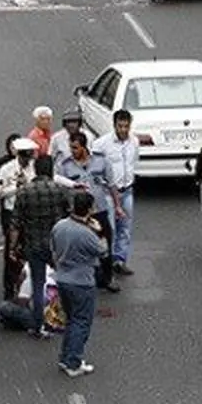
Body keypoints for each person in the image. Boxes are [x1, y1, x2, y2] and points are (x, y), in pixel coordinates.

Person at [10, 155, 72, 337]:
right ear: (51, 170)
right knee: (64, 280)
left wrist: (13, 247)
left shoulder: (24, 192)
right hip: (56, 244)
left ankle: (38, 325)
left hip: (33, 244)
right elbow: (69, 216)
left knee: (38, 284)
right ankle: (64, 317)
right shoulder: (59, 190)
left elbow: (15, 223)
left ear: (35, 170)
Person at [56, 131, 121, 292]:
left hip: (98, 210)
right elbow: (62, 188)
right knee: (78, 245)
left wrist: (117, 205)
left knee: (105, 243)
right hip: (78, 213)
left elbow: (111, 184)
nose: (73, 151)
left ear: (84, 147)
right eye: (71, 148)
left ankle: (108, 277)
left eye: (76, 148)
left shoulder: (100, 161)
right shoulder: (65, 166)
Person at [50, 193, 105, 377]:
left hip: (63, 278)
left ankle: (66, 356)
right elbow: (102, 250)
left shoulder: (60, 226)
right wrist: (99, 231)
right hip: (82, 281)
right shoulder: (86, 234)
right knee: (81, 322)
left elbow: (53, 248)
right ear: (89, 209)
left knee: (71, 320)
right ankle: (73, 361)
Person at [93, 109, 139, 276]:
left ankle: (120, 260)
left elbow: (134, 162)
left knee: (125, 228)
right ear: (114, 125)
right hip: (107, 193)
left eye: (126, 126)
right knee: (109, 228)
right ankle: (107, 263)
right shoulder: (101, 144)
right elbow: (95, 169)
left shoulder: (134, 142)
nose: (123, 130)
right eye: (120, 126)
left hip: (127, 190)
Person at [0, 139, 38, 297]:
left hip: (29, 212)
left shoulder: (34, 168)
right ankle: (9, 288)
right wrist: (15, 187)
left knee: (28, 249)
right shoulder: (6, 169)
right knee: (10, 251)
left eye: (29, 158)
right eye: (24, 158)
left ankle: (26, 287)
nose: (27, 162)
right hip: (11, 212)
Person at [0, 261, 64, 333]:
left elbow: (22, 301)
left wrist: (15, 296)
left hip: (42, 318)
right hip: (58, 316)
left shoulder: (29, 276)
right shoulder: (52, 271)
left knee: (4, 307)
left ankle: (32, 325)